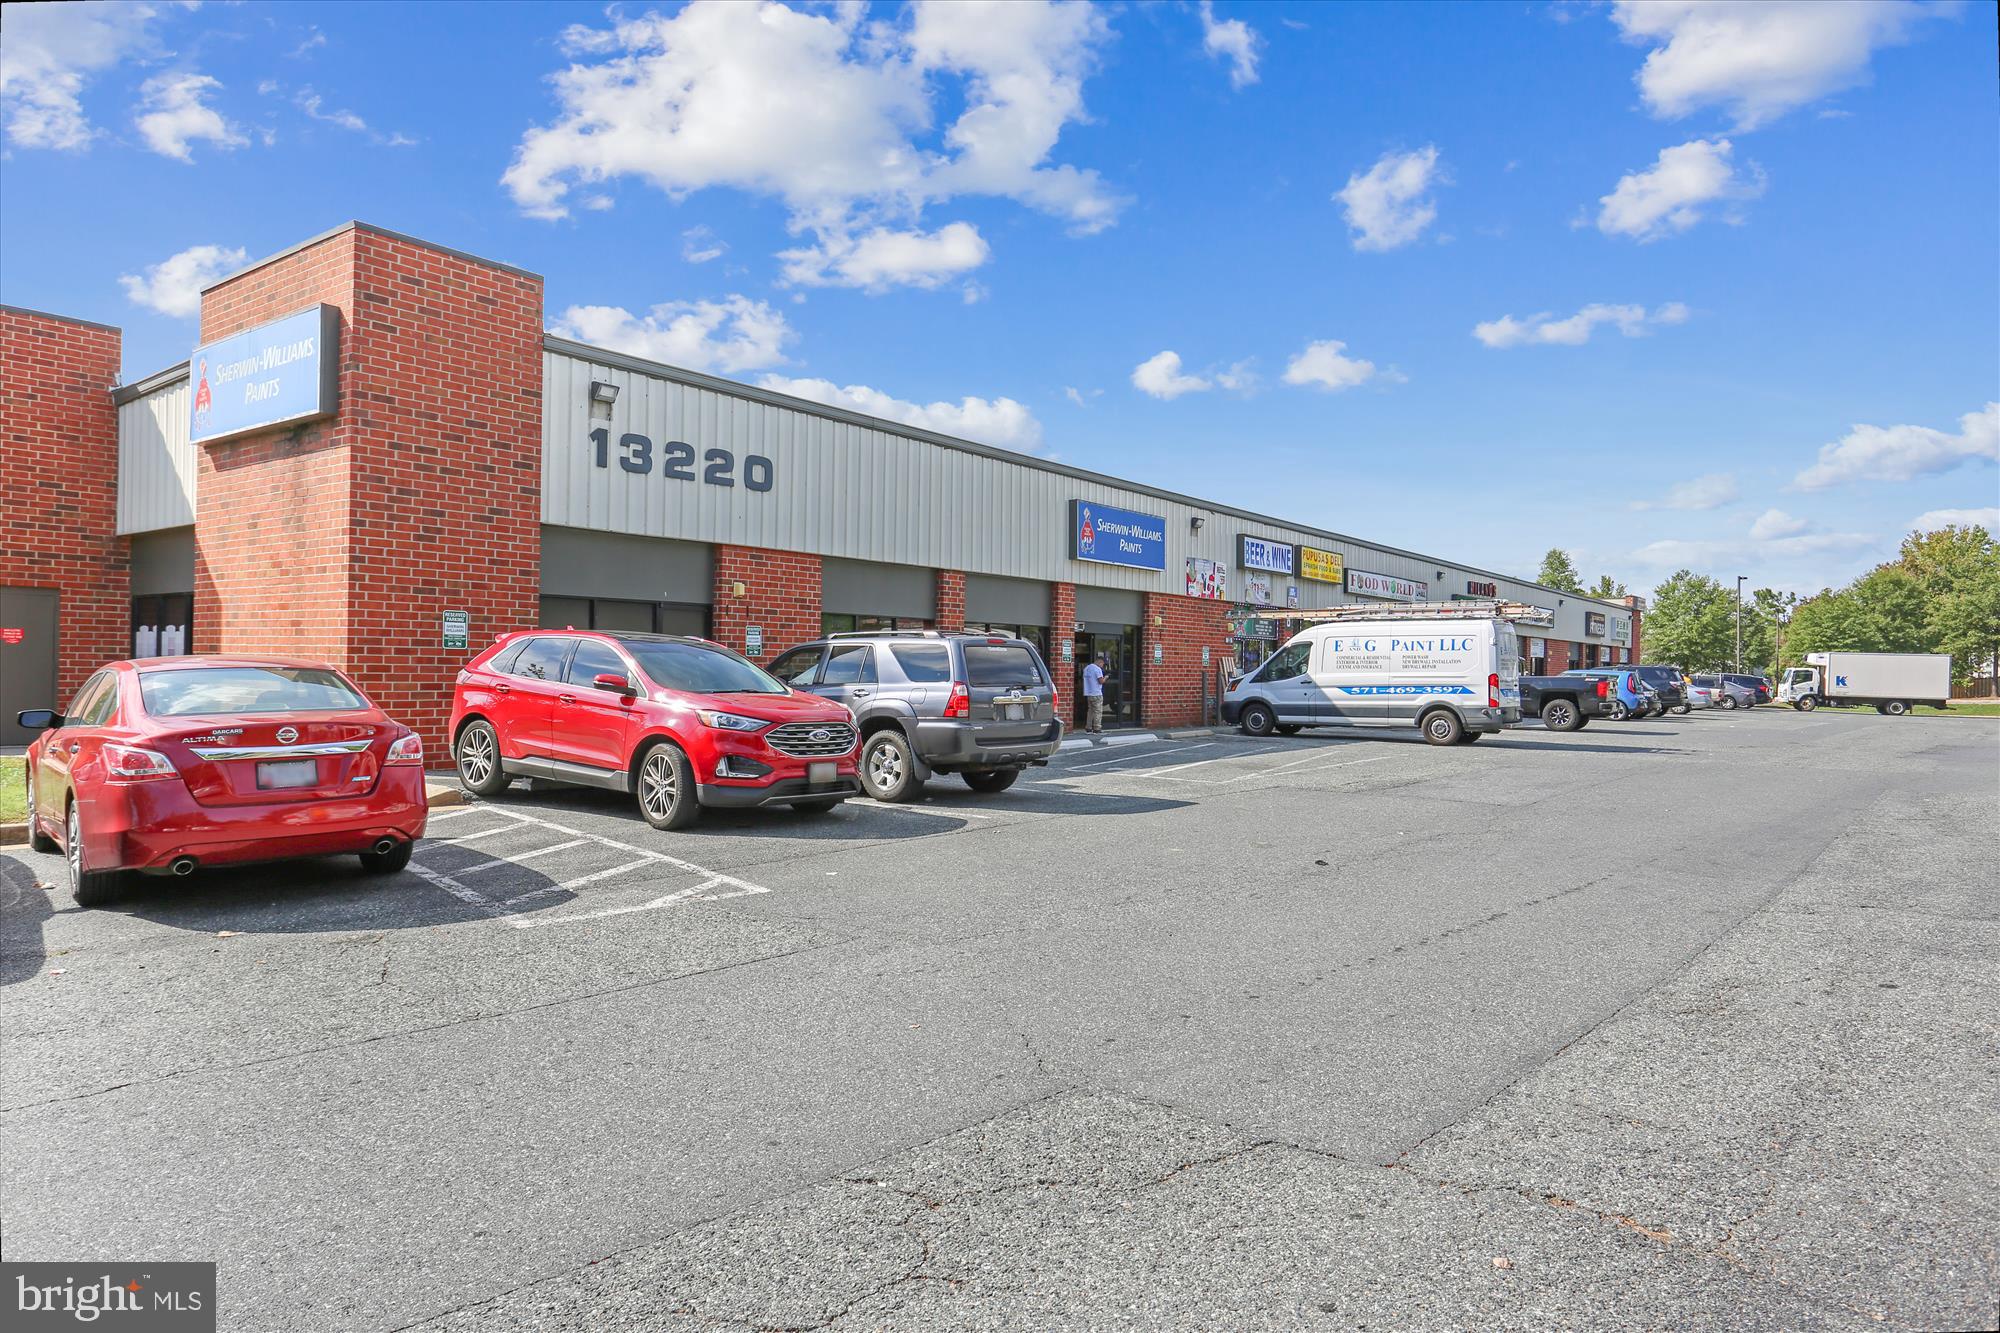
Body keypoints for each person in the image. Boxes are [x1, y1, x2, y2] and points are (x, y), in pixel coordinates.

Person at [1081, 653, 1106, 734]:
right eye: (1102, 664)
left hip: (1088, 693)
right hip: (1097, 693)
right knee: (1098, 711)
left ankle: (1088, 727)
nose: (1102, 666)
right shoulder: (1097, 669)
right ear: (1100, 662)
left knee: (1090, 711)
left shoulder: (1087, 668)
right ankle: (1097, 728)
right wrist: (1106, 677)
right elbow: (1100, 681)